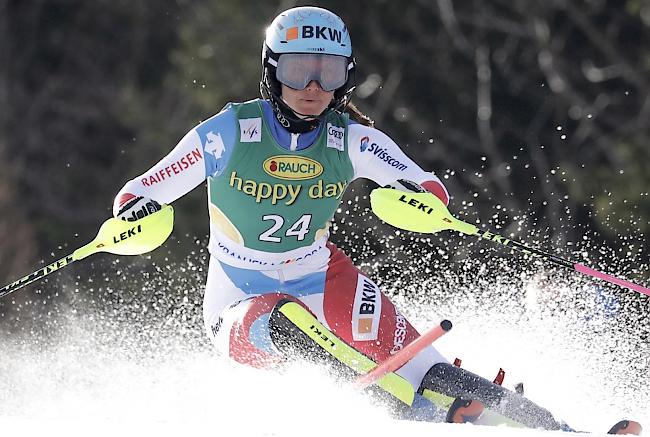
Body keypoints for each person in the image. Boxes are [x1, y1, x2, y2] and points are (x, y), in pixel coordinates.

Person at [111, 6, 570, 429]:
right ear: (272, 71)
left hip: (322, 278)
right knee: (285, 319)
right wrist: (135, 210)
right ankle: (412, 413)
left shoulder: (348, 140)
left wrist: (423, 200)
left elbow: (427, 184)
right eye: (297, 71)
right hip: (238, 301)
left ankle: (553, 427)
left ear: (344, 77)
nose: (313, 87)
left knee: (421, 364)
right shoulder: (229, 131)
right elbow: (143, 188)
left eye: (327, 72)